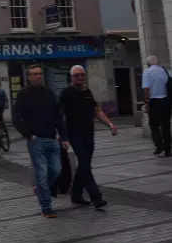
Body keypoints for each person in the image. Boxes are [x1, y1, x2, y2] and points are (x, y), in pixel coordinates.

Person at [13, 64, 69, 218]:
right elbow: (17, 117)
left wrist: (63, 137)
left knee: (56, 170)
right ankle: (46, 207)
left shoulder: (49, 94)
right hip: (36, 140)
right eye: (34, 74)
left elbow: (58, 116)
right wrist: (28, 134)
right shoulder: (24, 94)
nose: (38, 76)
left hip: (51, 139)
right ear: (29, 77)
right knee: (42, 173)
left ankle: (39, 189)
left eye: (40, 74)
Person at [59, 65, 115, 209]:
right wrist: (61, 135)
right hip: (74, 134)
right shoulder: (66, 93)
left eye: (82, 75)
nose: (80, 77)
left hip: (89, 134)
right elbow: (58, 114)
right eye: (77, 75)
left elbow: (96, 110)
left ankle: (76, 195)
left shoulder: (87, 92)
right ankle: (96, 197)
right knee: (84, 164)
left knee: (84, 166)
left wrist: (109, 124)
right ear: (71, 77)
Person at [143, 55, 172, 157]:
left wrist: (146, 102)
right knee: (166, 125)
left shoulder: (147, 72)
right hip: (166, 101)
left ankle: (159, 146)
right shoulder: (165, 70)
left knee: (154, 125)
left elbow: (146, 88)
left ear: (148, 63)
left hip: (154, 102)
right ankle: (168, 148)